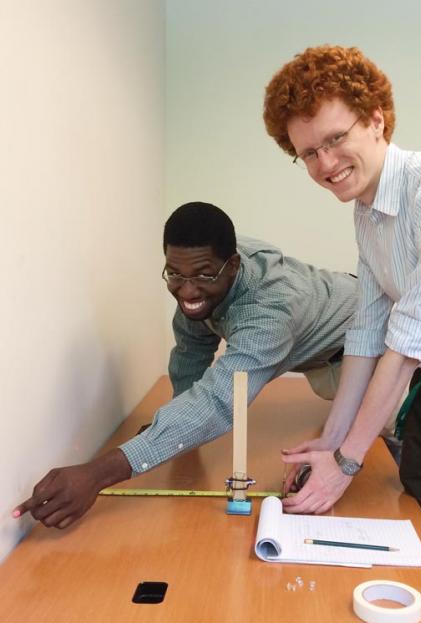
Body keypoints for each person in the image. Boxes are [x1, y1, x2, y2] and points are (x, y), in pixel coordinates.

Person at [263, 45, 421, 623]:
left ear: (376, 119)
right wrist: (332, 440)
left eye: (336, 138)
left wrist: (345, 464)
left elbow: (410, 337)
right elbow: (367, 333)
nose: (325, 163)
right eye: (308, 153)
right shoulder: (368, 211)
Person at [13, 202, 357, 528]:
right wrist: (174, 425)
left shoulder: (271, 309)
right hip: (321, 353)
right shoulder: (208, 267)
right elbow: (191, 352)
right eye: (174, 274)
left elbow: (220, 401)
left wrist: (97, 474)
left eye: (203, 276)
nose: (187, 291)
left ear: (234, 265)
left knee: (378, 450)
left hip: (362, 346)